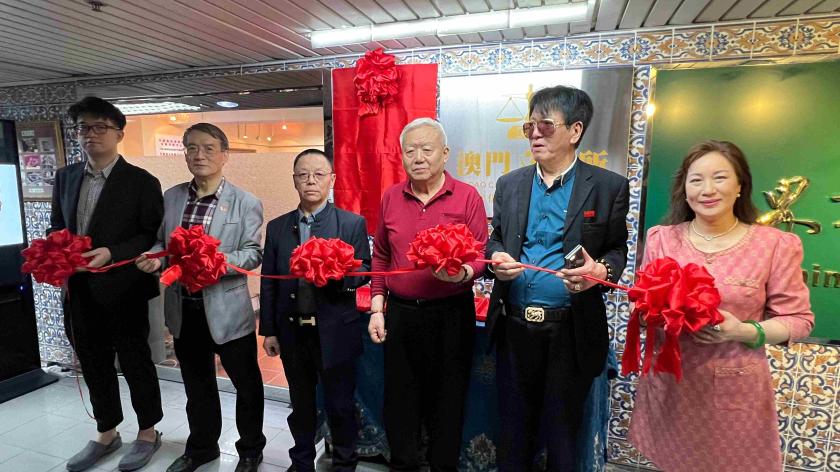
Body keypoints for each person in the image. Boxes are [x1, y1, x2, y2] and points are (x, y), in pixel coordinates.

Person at [628, 140, 814, 471]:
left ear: (740, 185)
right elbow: (643, 305)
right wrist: (647, 313)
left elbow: (799, 319)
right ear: (684, 189)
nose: (707, 189)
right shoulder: (661, 238)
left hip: (733, 387)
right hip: (669, 387)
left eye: (720, 177)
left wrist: (743, 331)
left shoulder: (775, 245)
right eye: (696, 180)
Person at [485, 85, 630, 470]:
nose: (535, 134)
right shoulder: (510, 184)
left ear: (575, 130)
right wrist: (494, 257)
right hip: (514, 328)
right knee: (513, 433)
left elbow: (617, 248)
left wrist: (601, 271)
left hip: (570, 330)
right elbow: (495, 238)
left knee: (563, 437)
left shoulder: (607, 187)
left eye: (546, 125)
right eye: (529, 127)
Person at [135, 123, 265, 472]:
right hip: (184, 308)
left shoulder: (245, 202)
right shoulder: (172, 197)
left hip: (227, 311)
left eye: (208, 148)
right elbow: (163, 243)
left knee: (247, 386)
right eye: (191, 148)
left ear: (225, 155)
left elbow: (252, 254)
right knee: (197, 385)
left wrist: (212, 261)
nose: (199, 155)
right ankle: (202, 447)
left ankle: (250, 450)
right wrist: (155, 257)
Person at [50, 96, 164, 472]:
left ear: (119, 134)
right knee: (93, 362)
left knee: (135, 362)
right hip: (80, 290)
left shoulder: (142, 181)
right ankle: (107, 431)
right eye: (84, 127)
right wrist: (55, 256)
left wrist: (112, 253)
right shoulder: (66, 177)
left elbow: (151, 234)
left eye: (101, 127)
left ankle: (147, 432)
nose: (91, 134)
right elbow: (57, 226)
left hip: (124, 289)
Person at [367, 118, 488, 471]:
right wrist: (377, 308)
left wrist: (462, 273)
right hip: (402, 315)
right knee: (400, 401)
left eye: (426, 149)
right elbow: (381, 256)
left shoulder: (467, 196)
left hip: (451, 314)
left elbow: (481, 255)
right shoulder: (391, 197)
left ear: (445, 153)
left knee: (447, 403)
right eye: (410, 151)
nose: (418, 157)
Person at [260, 149, 371, 472]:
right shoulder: (278, 227)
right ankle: (301, 461)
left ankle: (344, 463)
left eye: (319, 174)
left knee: (341, 405)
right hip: (293, 331)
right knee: (301, 404)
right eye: (303, 175)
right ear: (294, 180)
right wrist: (269, 330)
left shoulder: (351, 223)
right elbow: (269, 281)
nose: (311, 181)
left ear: (331, 180)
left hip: (337, 331)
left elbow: (365, 269)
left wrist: (339, 274)